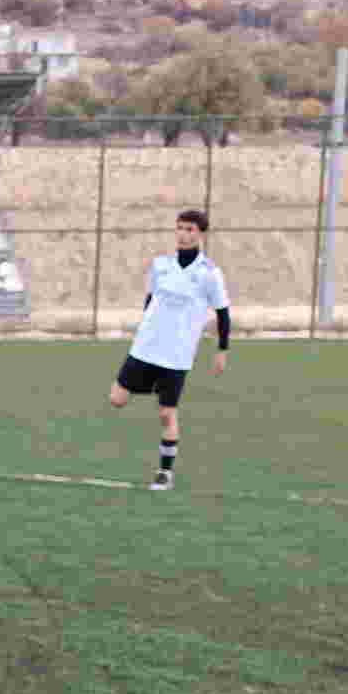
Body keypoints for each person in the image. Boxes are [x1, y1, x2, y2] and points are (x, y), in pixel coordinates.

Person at [109, 208, 231, 491]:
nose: (183, 234)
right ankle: (156, 387)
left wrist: (222, 350)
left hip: (176, 355)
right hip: (146, 347)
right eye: (180, 228)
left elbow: (223, 313)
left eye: (190, 229)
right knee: (116, 399)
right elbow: (150, 300)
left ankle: (165, 473)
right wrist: (145, 327)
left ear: (201, 234)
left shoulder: (210, 274)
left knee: (167, 414)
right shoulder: (160, 265)